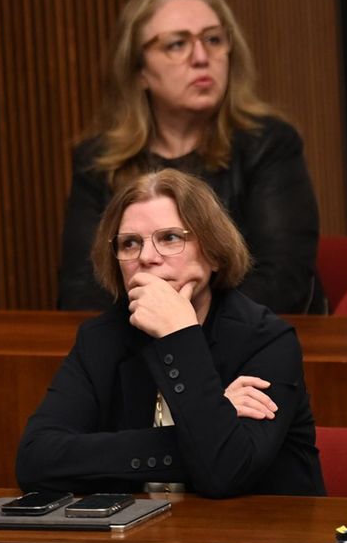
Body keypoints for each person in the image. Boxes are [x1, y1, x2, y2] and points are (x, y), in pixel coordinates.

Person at [18, 168, 324, 497]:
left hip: (259, 541)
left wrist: (180, 335)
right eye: (130, 243)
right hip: (139, 540)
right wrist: (200, 427)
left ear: (213, 251)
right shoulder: (101, 339)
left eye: (170, 238)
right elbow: (36, 462)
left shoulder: (266, 340)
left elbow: (226, 472)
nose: (147, 258)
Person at [58, 0, 324, 315]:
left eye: (213, 40)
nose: (201, 58)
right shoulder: (98, 160)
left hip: (248, 346)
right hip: (136, 348)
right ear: (138, 69)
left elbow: (281, 280)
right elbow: (82, 289)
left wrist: (183, 331)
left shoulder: (269, 143)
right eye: (177, 44)